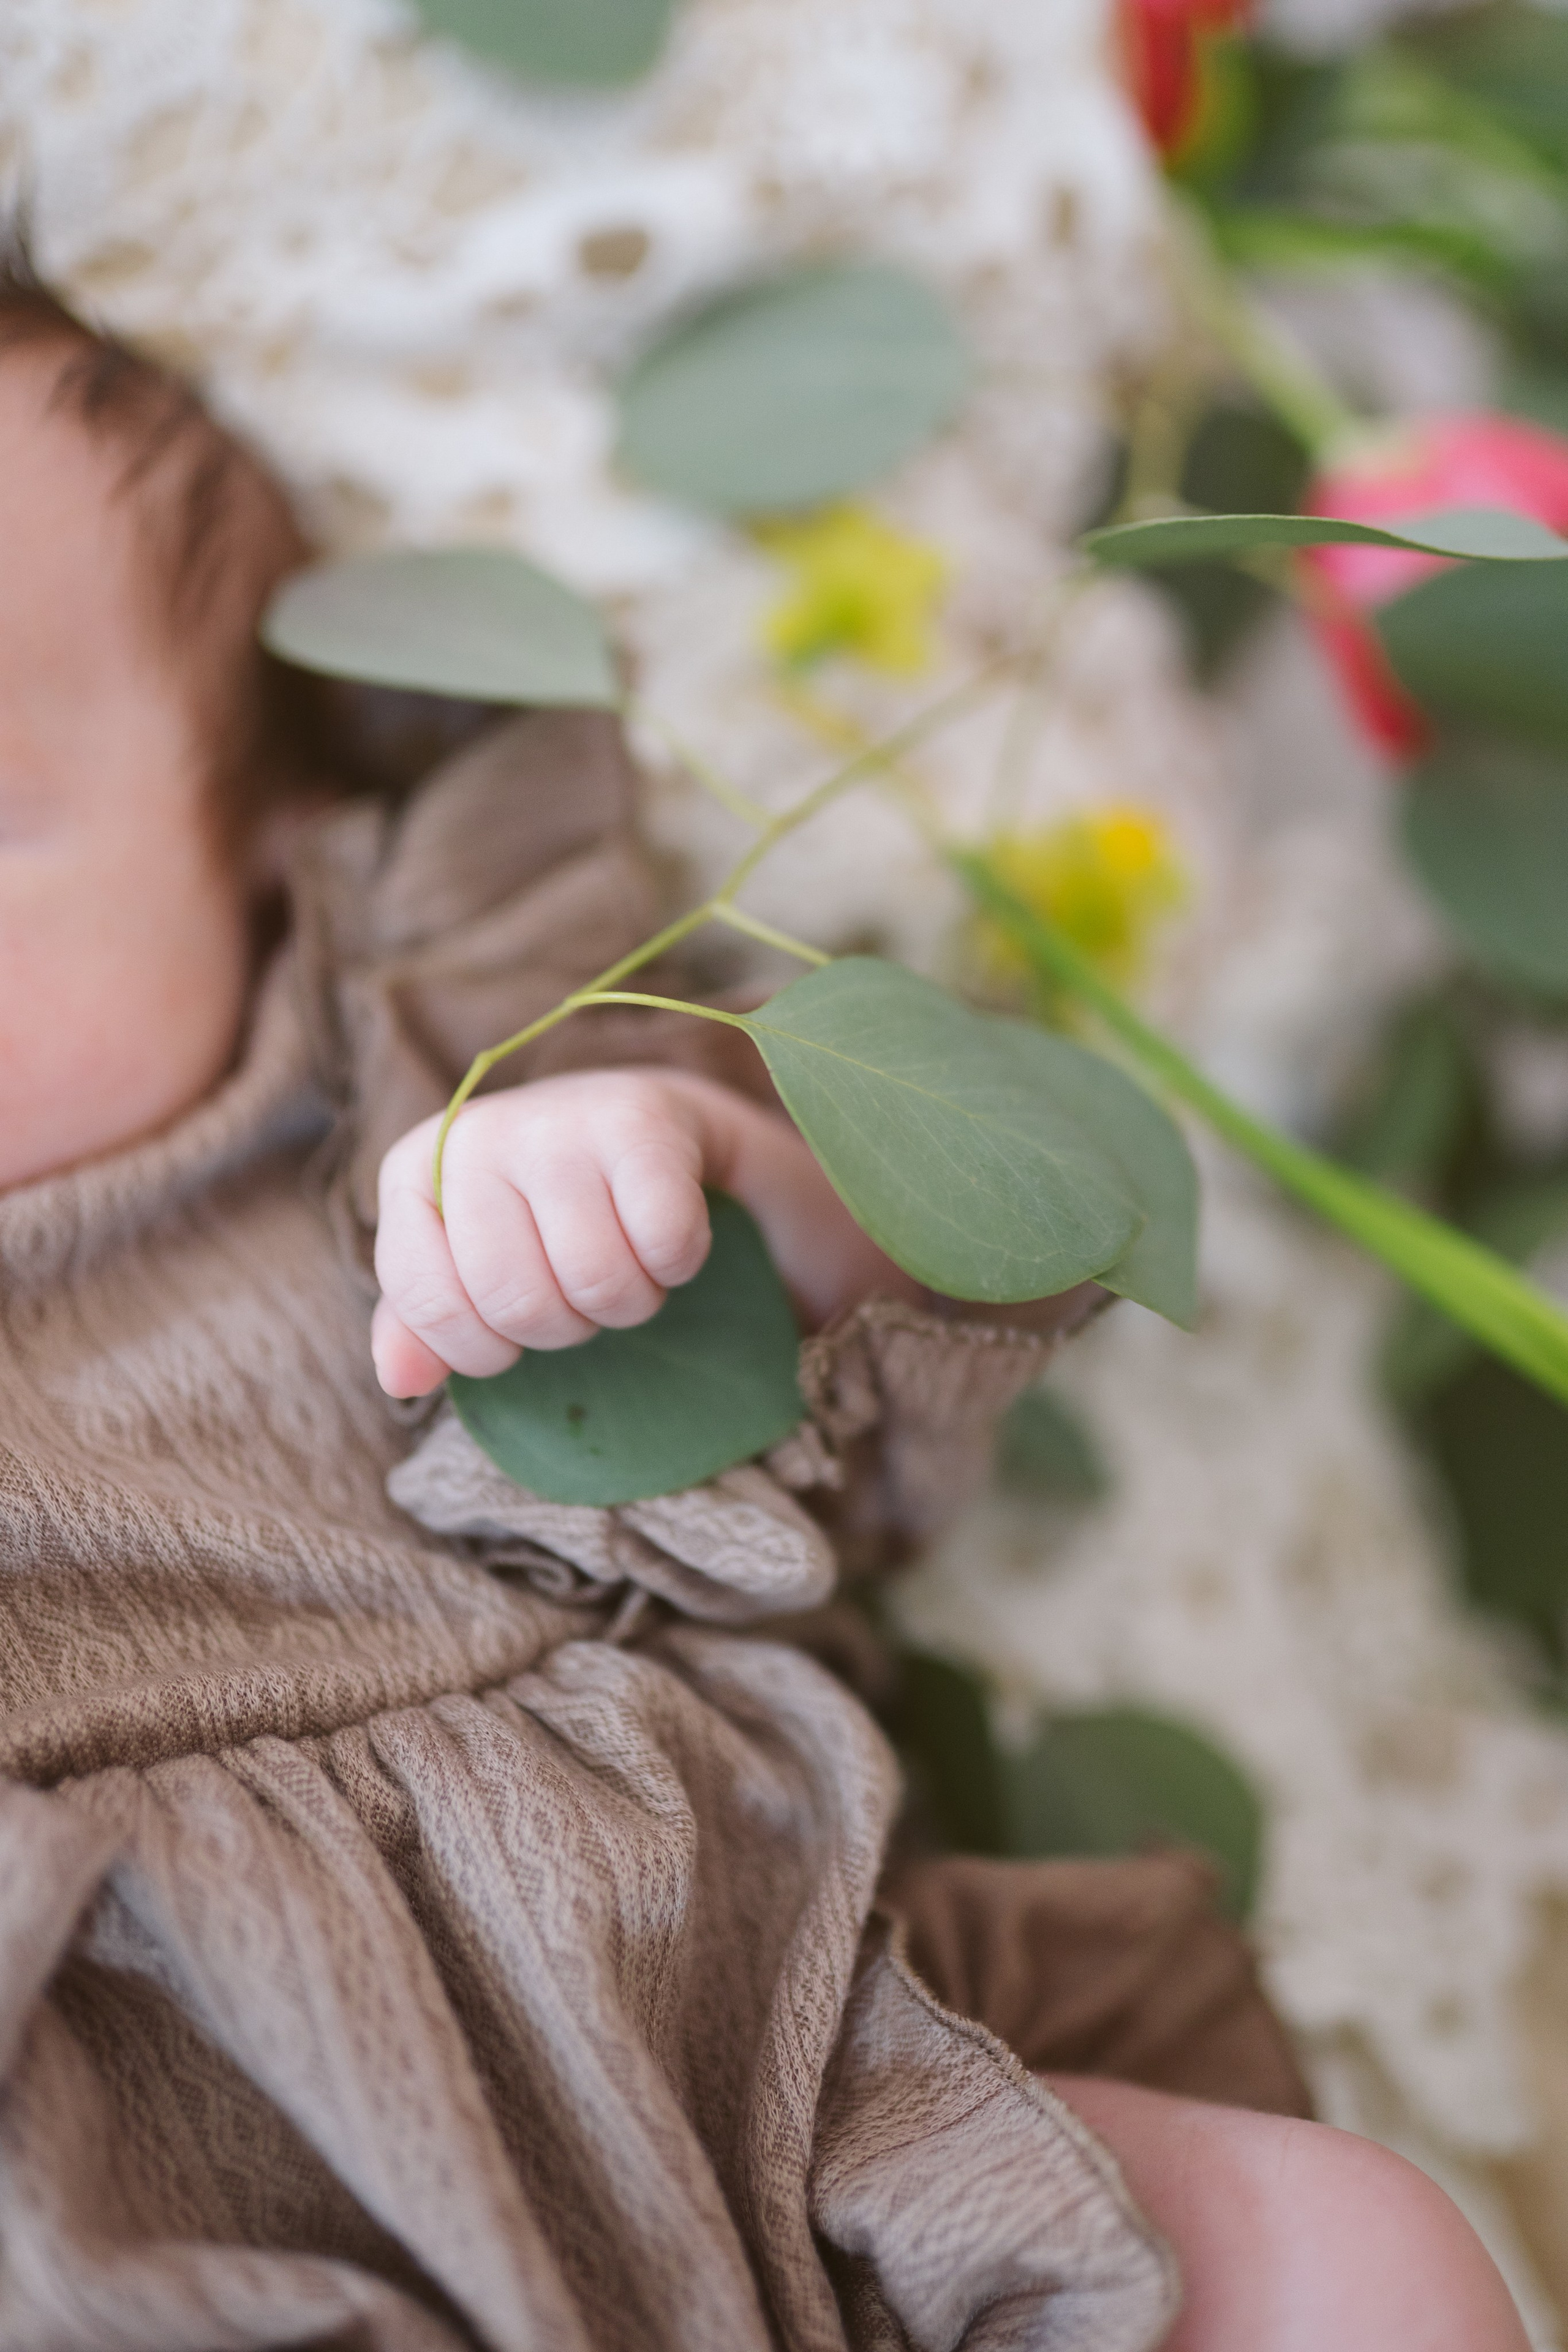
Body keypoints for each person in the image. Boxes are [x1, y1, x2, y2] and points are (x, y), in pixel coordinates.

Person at [0, 249, 1530, 2352]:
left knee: (1329, 2253)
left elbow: (906, 1346)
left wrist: (703, 1174)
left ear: (275, 849)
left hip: (751, 2050)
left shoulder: (421, 1047)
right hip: (134, 2168)